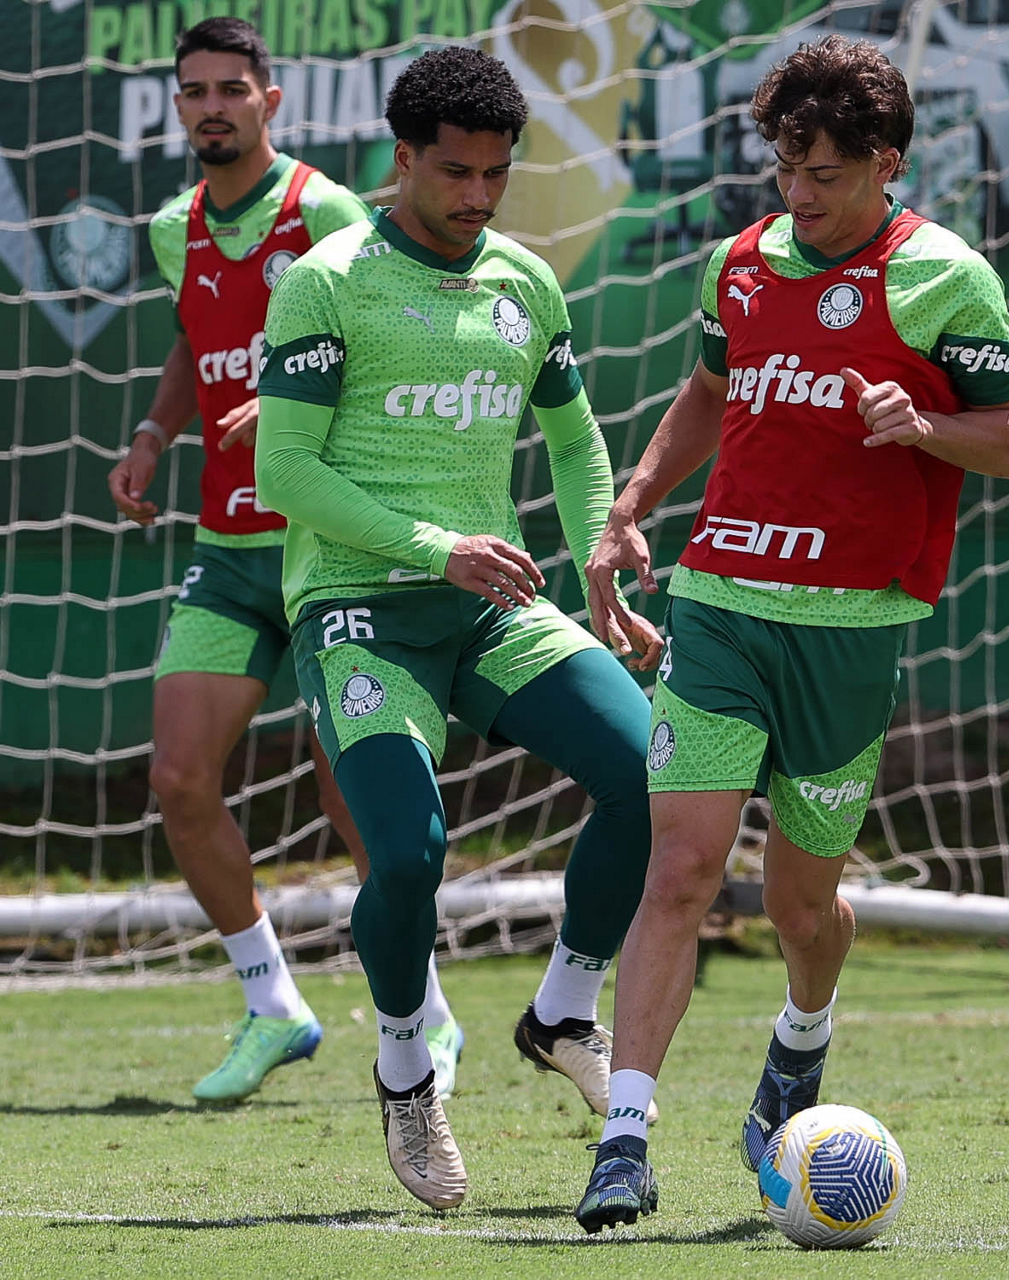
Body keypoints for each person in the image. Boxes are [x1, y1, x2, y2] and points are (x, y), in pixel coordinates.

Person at [574, 34, 1009, 1232]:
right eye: (784, 168)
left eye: (822, 173)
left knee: (799, 906)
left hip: (850, 629)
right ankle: (623, 1137)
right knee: (679, 869)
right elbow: (708, 388)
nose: (797, 193)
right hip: (720, 603)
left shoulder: (943, 277)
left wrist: (922, 422)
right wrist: (632, 502)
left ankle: (800, 1037)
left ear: (885, 163)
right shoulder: (740, 263)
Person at [254, 46, 663, 1210]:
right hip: (359, 607)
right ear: (402, 158)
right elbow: (286, 471)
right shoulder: (327, 281)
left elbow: (573, 440)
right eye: (454, 172)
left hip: (492, 605)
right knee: (408, 854)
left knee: (649, 769)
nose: (477, 194)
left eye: (495, 173)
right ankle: (404, 1068)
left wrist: (599, 559)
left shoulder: (525, 282)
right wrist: (437, 546)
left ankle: (563, 1009)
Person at [106, 17, 463, 1104]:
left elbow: (392, 333)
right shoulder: (173, 228)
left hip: (330, 550)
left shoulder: (326, 212)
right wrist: (155, 432)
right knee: (178, 777)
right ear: (178, 105)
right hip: (229, 547)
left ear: (270, 99)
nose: (212, 106)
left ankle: (428, 1013)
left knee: (356, 801)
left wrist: (298, 398)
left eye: (232, 88)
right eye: (195, 90)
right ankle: (273, 1003)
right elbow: (195, 336)